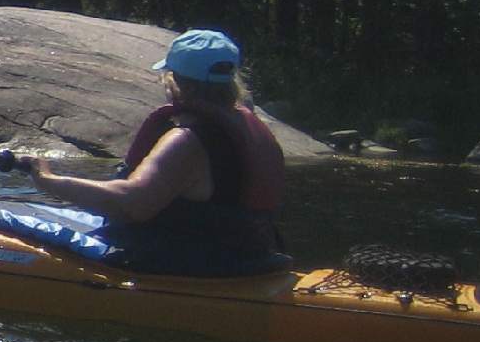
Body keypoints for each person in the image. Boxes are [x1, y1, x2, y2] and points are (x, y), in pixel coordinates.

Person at [22, 28, 287, 274]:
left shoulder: (187, 141)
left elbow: (132, 204)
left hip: (189, 265)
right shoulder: (249, 126)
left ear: (176, 81)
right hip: (248, 257)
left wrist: (48, 181)